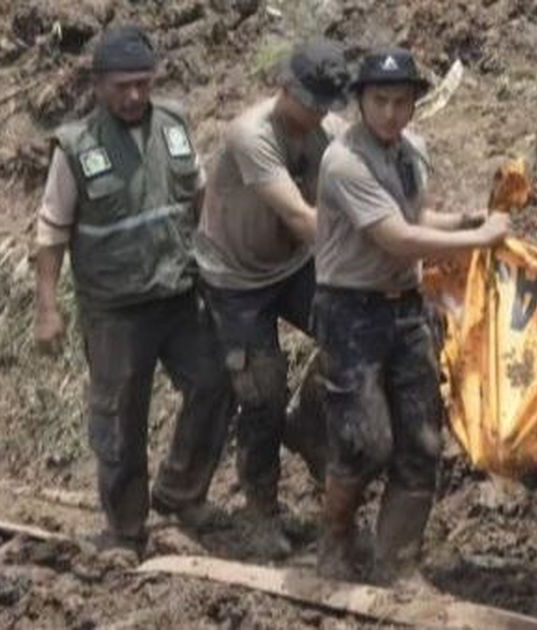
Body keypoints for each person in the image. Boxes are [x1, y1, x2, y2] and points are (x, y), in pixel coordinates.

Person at [31, 25, 231, 558]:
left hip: (178, 293)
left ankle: (181, 491)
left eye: (143, 83)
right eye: (122, 86)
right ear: (97, 85)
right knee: (121, 419)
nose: (134, 96)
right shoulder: (76, 147)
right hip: (115, 310)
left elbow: (200, 195)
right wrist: (48, 308)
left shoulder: (173, 125)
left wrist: (216, 265)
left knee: (216, 384)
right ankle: (125, 529)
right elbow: (50, 233)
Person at [312, 46, 509, 583]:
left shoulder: (409, 151)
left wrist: (466, 218)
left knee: (422, 442)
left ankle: (396, 563)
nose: (392, 113)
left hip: (404, 309)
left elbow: (416, 216)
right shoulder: (344, 162)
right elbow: (396, 238)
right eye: (380, 101)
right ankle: (334, 541)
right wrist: (476, 239)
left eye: (402, 102)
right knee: (365, 441)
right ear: (359, 101)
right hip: (350, 308)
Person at [194, 39, 352, 557]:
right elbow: (302, 218)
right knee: (260, 391)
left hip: (290, 266)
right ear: (285, 89)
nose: (317, 115)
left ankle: (308, 422)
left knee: (352, 333)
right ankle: (259, 511)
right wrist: (378, 238)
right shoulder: (251, 135)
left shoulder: (327, 130)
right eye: (310, 103)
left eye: (326, 105)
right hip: (235, 276)